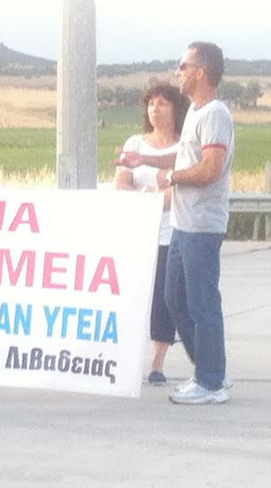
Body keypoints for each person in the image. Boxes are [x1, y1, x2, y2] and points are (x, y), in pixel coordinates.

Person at [119, 42, 235, 404]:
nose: (177, 72)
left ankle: (211, 383)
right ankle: (210, 369)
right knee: (174, 299)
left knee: (202, 304)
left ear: (200, 72)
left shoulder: (214, 114)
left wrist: (172, 178)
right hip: (184, 226)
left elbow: (210, 168)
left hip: (201, 224)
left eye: (183, 66)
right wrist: (144, 160)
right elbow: (184, 156)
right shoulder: (197, 114)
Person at [115, 84, 189, 385]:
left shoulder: (184, 147)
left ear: (176, 109)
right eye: (151, 104)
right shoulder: (135, 143)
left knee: (164, 299)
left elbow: (176, 195)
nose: (155, 109)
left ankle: (157, 361)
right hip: (137, 233)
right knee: (131, 297)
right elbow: (122, 183)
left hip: (170, 234)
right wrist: (151, 193)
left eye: (162, 103)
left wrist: (148, 194)